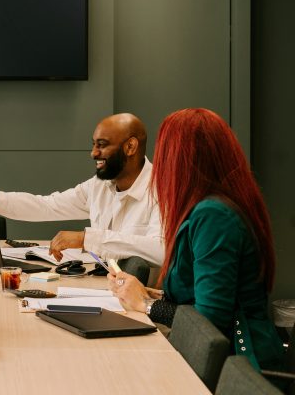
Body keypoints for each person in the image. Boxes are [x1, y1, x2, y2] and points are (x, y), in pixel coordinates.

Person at [108, 108, 283, 371]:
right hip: (221, 356)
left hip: (234, 363)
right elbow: (199, 296)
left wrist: (145, 304)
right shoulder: (214, 206)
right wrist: (153, 295)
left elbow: (209, 320)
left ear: (179, 160)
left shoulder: (213, 215)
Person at [0, 113, 163, 265]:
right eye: (93, 144)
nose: (93, 153)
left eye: (102, 144)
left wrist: (86, 239)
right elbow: (46, 206)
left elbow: (161, 251)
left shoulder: (162, 190)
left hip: (142, 308)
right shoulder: (98, 187)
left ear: (130, 147)